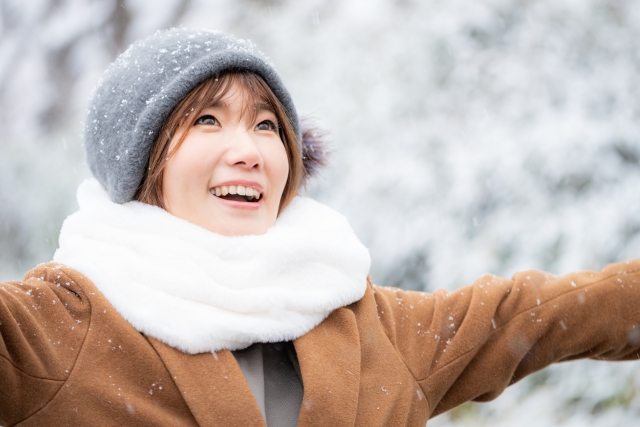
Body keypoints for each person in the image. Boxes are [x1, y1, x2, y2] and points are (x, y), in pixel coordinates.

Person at [1, 27, 639, 427]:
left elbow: (538, 315)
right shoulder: (49, 329)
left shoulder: (366, 326)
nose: (249, 149)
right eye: (206, 121)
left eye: (267, 125)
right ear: (138, 160)